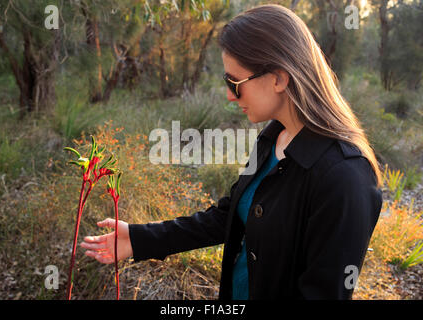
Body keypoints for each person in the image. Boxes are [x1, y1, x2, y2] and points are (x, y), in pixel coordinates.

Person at [80, 4, 383, 300]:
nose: (228, 94)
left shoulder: (345, 176)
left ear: (278, 78)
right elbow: (229, 215)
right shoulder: (274, 137)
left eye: (234, 82)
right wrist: (139, 239)